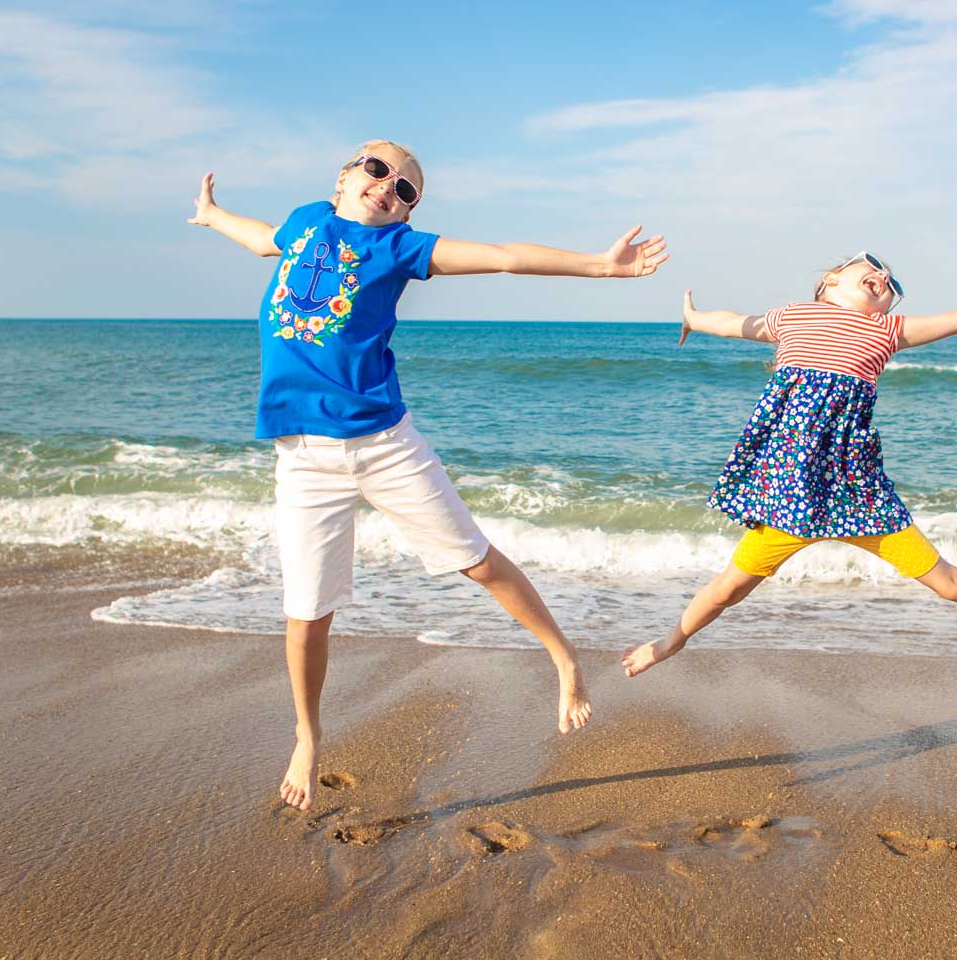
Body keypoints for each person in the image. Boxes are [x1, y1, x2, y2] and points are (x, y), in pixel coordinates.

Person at [188, 140, 668, 811]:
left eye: (407, 189)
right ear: (345, 176)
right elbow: (264, 240)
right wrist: (213, 216)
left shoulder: (401, 249)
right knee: (305, 614)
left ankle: (562, 658)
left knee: (473, 558)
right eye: (377, 169)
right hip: (303, 457)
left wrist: (601, 268)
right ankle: (307, 734)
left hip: (384, 443)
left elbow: (502, 257)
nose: (389, 186)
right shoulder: (304, 223)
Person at [621, 254, 957, 685]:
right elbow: (732, 324)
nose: (885, 277)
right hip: (790, 493)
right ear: (830, 280)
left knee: (951, 586)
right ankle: (669, 643)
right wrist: (694, 318)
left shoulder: (886, 332)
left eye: (893, 285)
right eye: (872, 266)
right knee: (726, 590)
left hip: (856, 493)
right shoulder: (794, 316)